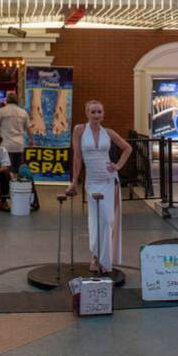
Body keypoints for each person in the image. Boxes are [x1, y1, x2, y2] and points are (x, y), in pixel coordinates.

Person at [66, 100, 132, 274]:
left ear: (103, 114)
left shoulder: (108, 132)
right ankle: (96, 257)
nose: (96, 115)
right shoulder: (79, 130)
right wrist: (74, 182)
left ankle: (102, 258)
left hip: (109, 179)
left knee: (108, 220)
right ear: (87, 113)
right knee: (97, 220)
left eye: (99, 112)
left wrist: (117, 166)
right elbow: (77, 158)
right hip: (92, 181)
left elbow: (127, 148)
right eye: (93, 112)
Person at [0, 92, 31, 169]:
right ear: (17, 101)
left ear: (6, 101)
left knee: (6, 171)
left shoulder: (1, 111)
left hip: (5, 146)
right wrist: (31, 139)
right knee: (17, 170)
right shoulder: (23, 112)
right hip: (19, 145)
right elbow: (29, 128)